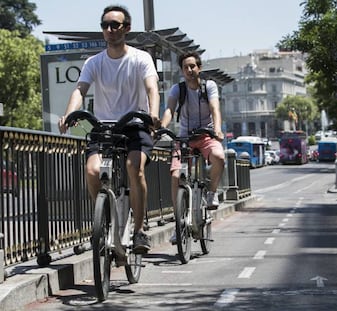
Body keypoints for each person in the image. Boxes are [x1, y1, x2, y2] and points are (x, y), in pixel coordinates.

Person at [58, 5, 160, 254]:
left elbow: (151, 89)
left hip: (135, 124)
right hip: (104, 127)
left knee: (133, 168)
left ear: (127, 28)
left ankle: (138, 231)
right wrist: (70, 113)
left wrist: (153, 115)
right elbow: (80, 90)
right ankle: (101, 221)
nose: (109, 30)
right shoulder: (95, 62)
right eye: (105, 25)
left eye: (115, 25)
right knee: (92, 171)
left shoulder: (140, 58)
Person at [160, 51, 225, 243]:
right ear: (181, 70)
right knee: (175, 176)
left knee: (219, 157)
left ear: (199, 68)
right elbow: (170, 110)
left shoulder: (209, 86)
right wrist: (162, 127)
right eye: (185, 67)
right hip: (184, 138)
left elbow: (215, 109)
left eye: (192, 66)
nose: (189, 70)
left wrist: (218, 130)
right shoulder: (177, 89)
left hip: (207, 135)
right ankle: (178, 224)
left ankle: (212, 193)